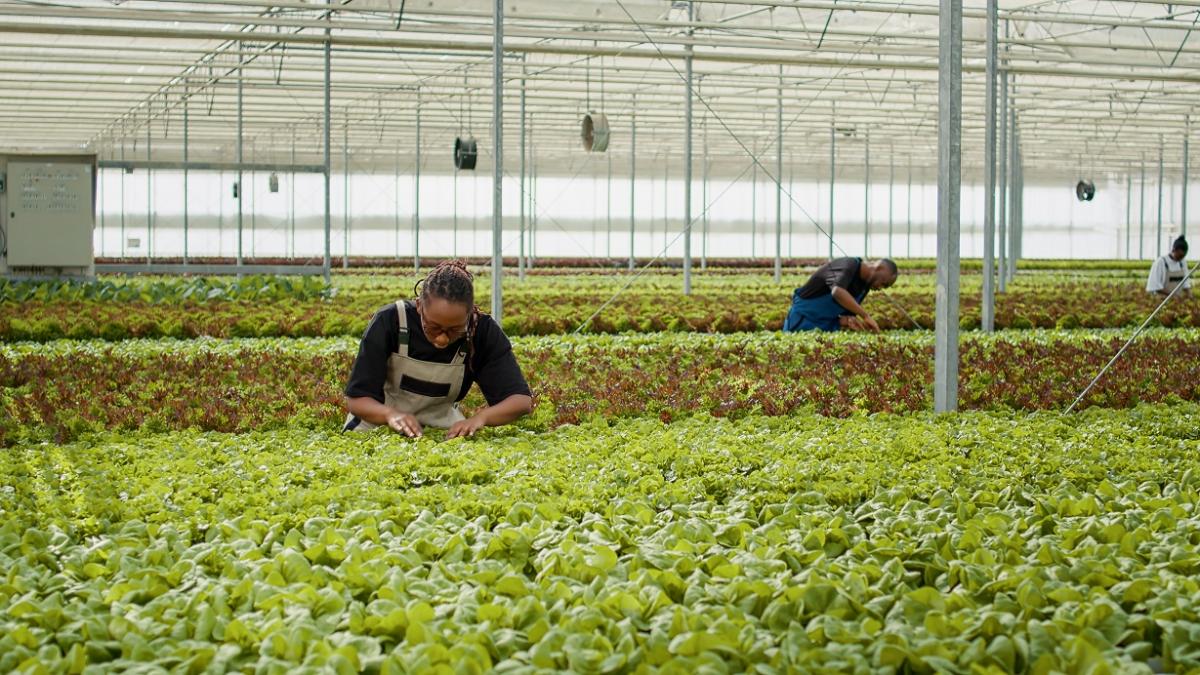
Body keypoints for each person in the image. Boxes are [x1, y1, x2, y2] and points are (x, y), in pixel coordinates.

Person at [344, 260, 533, 438]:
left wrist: (480, 418)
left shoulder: (482, 331)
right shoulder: (391, 320)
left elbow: (520, 401)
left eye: (454, 330)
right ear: (419, 306)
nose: (442, 338)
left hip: (441, 431)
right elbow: (357, 399)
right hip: (377, 426)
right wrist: (390, 415)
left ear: (469, 315)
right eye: (433, 327)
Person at [783, 257, 898, 332]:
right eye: (883, 283)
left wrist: (849, 321)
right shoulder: (849, 265)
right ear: (879, 268)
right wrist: (865, 316)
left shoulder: (864, 288)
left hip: (823, 327)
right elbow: (837, 291)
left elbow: (841, 315)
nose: (880, 288)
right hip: (801, 319)